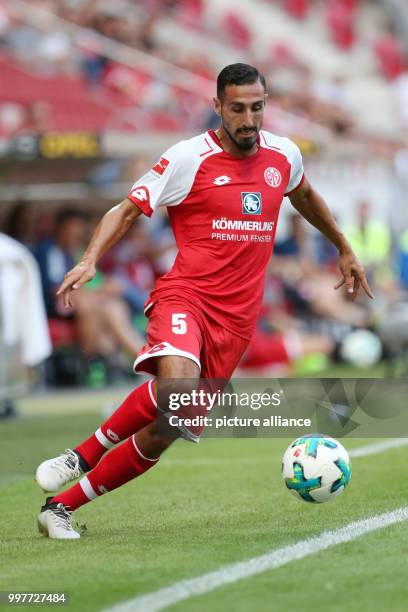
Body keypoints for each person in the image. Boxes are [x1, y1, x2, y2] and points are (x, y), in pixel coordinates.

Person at [35, 63, 373, 539]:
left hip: (235, 325)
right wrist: (91, 258)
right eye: (237, 109)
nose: (248, 119)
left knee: (167, 427)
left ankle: (60, 508)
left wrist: (344, 246)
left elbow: (306, 194)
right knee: (177, 389)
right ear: (217, 106)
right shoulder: (188, 158)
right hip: (187, 298)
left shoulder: (284, 155)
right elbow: (128, 208)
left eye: (257, 108)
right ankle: (81, 454)